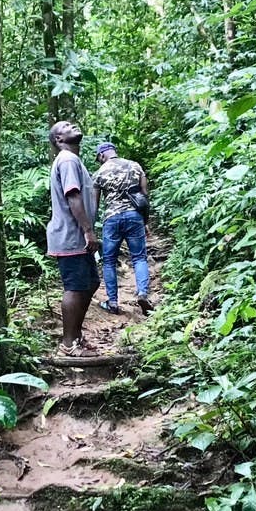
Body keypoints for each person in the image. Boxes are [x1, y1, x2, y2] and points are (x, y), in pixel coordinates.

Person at [46, 120, 100, 356]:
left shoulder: (73, 160)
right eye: (66, 126)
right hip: (71, 235)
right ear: (58, 139)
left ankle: (76, 336)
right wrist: (88, 230)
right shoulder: (67, 159)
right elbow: (73, 196)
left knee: (90, 283)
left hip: (77, 236)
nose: (73, 125)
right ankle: (68, 344)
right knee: (76, 286)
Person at [93, 141, 154, 315]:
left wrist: (91, 229)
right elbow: (144, 195)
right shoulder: (135, 166)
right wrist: (145, 221)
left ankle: (113, 303)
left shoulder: (99, 173)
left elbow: (94, 205)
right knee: (139, 258)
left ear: (102, 155)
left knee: (109, 261)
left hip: (111, 219)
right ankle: (142, 293)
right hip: (134, 216)